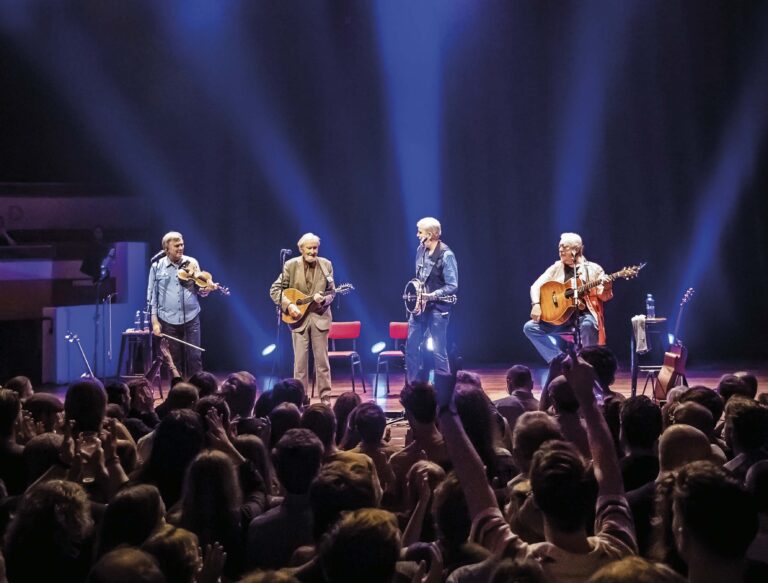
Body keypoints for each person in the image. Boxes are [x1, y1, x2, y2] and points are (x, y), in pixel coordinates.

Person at [524, 232, 613, 363]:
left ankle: (588, 364)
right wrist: (536, 304)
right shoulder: (556, 267)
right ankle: (560, 359)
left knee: (588, 325)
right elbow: (536, 286)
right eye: (559, 247)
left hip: (583, 316)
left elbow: (604, 297)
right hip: (560, 317)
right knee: (530, 327)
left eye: (564, 247)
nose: (560, 250)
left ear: (576, 249)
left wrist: (607, 287)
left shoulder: (594, 269)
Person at [270, 233, 336, 398]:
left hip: (320, 318)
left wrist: (324, 300)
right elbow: (275, 290)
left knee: (322, 363)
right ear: (301, 249)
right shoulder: (290, 265)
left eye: (315, 248)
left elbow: (332, 292)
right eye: (309, 248)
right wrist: (289, 305)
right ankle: (300, 399)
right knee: (300, 365)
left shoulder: (326, 264)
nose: (313, 251)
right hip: (298, 320)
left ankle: (325, 399)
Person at [405, 217, 459, 385]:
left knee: (438, 350)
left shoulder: (446, 255)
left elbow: (452, 285)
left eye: (420, 232)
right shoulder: (420, 251)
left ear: (429, 235)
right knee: (411, 348)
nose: (417, 235)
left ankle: (443, 389)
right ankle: (413, 387)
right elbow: (420, 278)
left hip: (438, 308)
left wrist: (431, 295)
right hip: (420, 307)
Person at [147, 231, 207, 379]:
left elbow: (199, 287)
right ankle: (178, 391)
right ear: (166, 249)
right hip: (168, 320)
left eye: (182, 244)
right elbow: (152, 296)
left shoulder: (192, 262)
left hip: (191, 318)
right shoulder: (156, 266)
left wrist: (204, 290)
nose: (181, 248)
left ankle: (198, 390)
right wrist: (154, 322)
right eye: (176, 246)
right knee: (173, 360)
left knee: (194, 357)